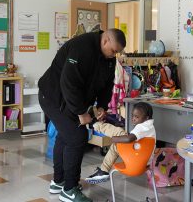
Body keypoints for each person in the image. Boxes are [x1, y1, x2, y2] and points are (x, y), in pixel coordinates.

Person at [38, 29, 126, 202]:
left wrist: (101, 106)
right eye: (114, 51)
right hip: (52, 96)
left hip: (69, 100)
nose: (114, 55)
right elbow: (69, 83)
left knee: (66, 136)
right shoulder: (82, 47)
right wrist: (81, 112)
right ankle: (69, 190)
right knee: (77, 137)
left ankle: (59, 181)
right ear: (105, 40)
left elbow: (107, 84)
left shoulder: (109, 59)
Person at [85, 102, 156, 184]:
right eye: (132, 115)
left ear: (146, 118)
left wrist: (113, 139)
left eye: (136, 117)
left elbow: (129, 139)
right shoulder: (150, 126)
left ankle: (95, 124)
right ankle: (103, 170)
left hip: (136, 161)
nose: (133, 119)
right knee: (119, 141)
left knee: (119, 133)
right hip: (144, 162)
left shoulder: (142, 127)